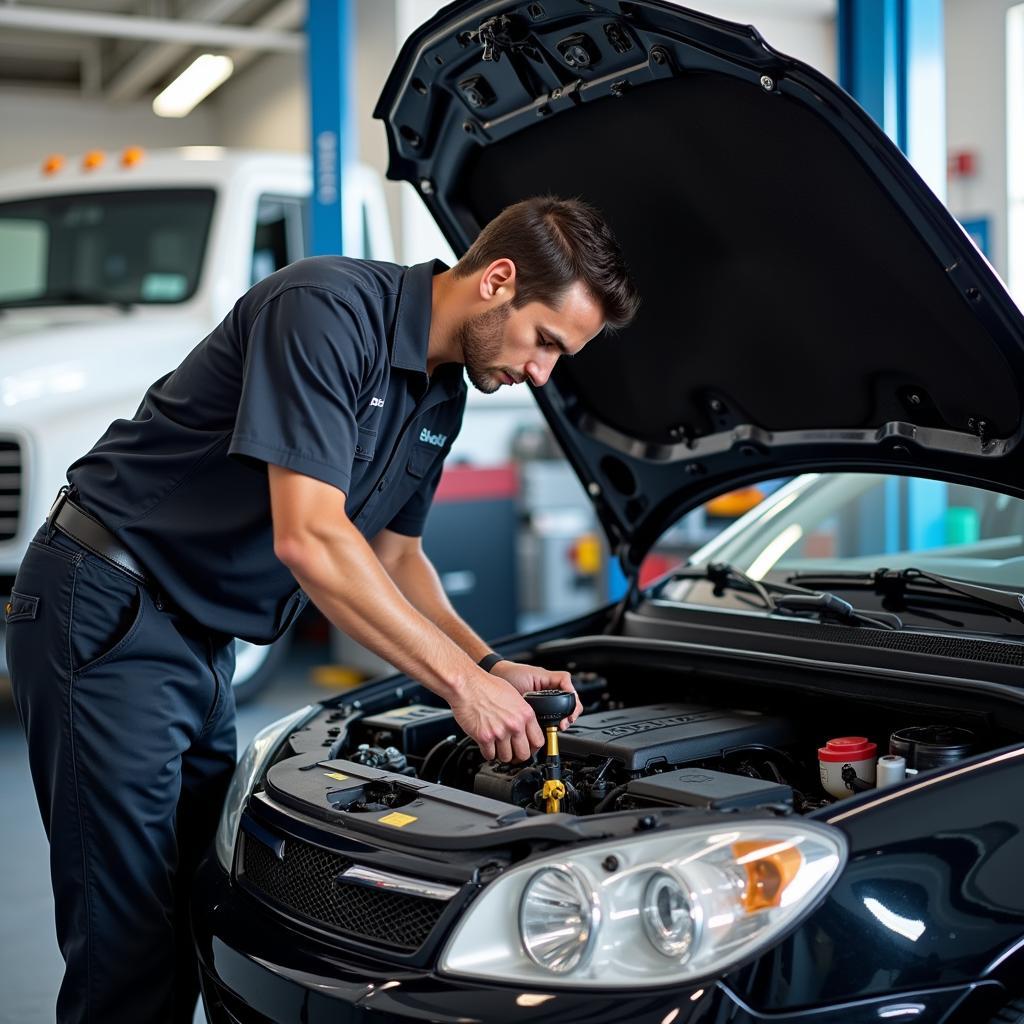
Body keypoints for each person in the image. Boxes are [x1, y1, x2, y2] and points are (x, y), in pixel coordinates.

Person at [6, 194, 639, 1022]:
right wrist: (458, 687)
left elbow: (395, 557)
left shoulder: (441, 395)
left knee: (200, 904)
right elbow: (309, 538)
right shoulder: (325, 309)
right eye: (546, 342)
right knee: (128, 939)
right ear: (498, 281)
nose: (541, 373)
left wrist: (489, 666)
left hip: (198, 636)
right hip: (107, 601)